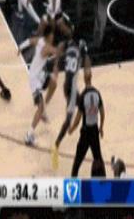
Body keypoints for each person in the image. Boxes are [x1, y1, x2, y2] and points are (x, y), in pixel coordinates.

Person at [51, 32, 91, 170]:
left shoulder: (69, 46)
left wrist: (56, 63)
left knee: (84, 107)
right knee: (69, 119)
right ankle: (57, 144)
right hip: (71, 88)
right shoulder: (80, 51)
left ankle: (75, 129)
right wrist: (85, 53)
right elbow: (86, 68)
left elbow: (61, 47)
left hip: (67, 85)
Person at [22, 25, 61, 146]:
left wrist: (20, 47)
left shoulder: (40, 40)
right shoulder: (47, 47)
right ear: (49, 36)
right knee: (39, 107)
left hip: (40, 75)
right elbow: (57, 52)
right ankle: (29, 135)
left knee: (53, 83)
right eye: (52, 35)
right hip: (35, 80)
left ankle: (44, 109)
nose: (53, 37)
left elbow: (29, 41)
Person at [69, 69, 105, 177]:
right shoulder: (97, 93)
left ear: (84, 79)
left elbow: (78, 118)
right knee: (98, 159)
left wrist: (71, 129)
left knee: (78, 160)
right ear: (91, 77)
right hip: (94, 131)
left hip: (85, 132)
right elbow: (102, 112)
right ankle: (104, 180)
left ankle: (73, 181)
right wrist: (101, 127)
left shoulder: (83, 95)